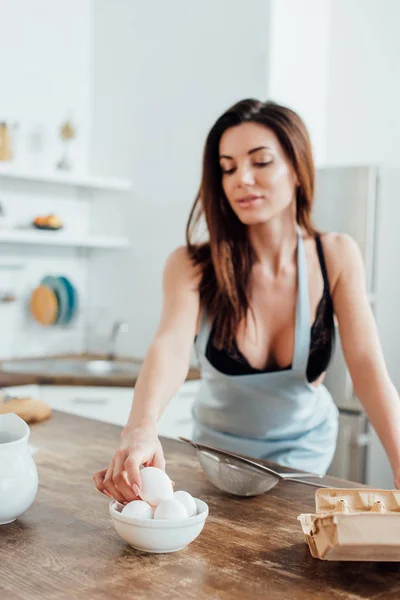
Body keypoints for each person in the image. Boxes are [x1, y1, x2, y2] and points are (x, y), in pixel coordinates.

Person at [93, 99, 400, 504]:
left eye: (260, 162)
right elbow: (169, 347)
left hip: (305, 462)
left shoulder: (336, 255)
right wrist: (140, 427)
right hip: (218, 460)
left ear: (296, 168)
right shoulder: (192, 265)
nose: (242, 178)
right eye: (228, 167)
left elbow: (367, 370)